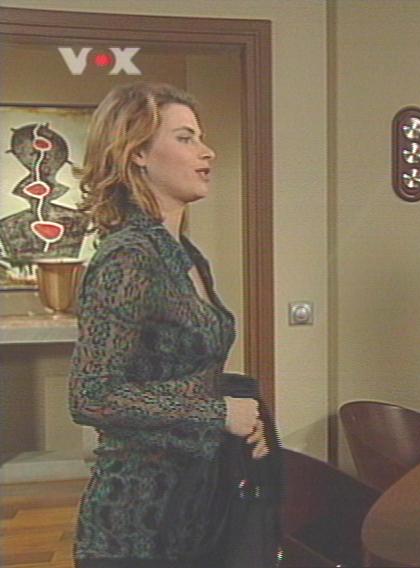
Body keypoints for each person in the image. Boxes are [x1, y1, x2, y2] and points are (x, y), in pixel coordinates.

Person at [69, 82, 270, 568]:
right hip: (135, 524)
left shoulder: (184, 254)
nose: (207, 152)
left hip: (195, 506)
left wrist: (247, 423)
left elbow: (180, 371)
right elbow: (91, 395)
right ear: (137, 153)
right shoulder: (129, 256)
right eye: (185, 138)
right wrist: (218, 413)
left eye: (201, 137)